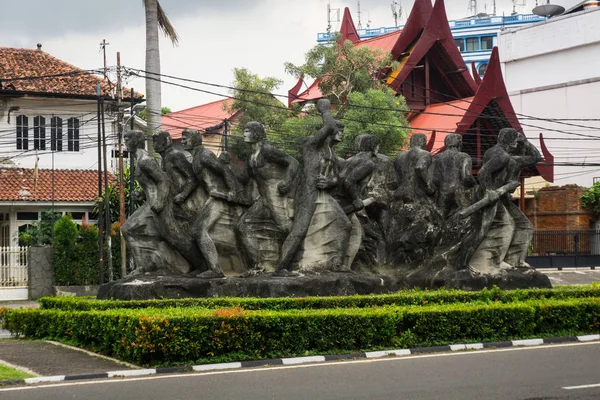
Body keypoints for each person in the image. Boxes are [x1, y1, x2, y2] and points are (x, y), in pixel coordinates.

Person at [278, 99, 352, 274]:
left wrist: (329, 182)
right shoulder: (312, 145)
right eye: (338, 130)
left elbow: (336, 178)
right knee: (300, 229)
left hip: (323, 193)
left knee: (345, 224)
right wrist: (325, 110)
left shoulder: (332, 153)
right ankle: (281, 266)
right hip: (307, 192)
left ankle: (337, 264)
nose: (341, 134)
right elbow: (327, 126)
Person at [183, 129, 248, 278]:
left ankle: (215, 270)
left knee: (199, 231)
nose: (182, 142)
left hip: (220, 198)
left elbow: (224, 170)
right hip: (213, 196)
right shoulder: (196, 158)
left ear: (194, 140)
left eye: (185, 139)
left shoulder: (205, 155)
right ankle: (206, 266)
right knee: (196, 231)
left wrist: (232, 190)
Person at [236, 121, 299, 271]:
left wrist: (288, 182)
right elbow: (242, 177)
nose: (244, 134)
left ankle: (290, 264)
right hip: (263, 197)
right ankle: (259, 265)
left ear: (257, 134)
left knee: (286, 228)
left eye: (247, 131)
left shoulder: (268, 150)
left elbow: (294, 162)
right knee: (243, 226)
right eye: (244, 131)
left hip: (276, 193)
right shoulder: (250, 155)